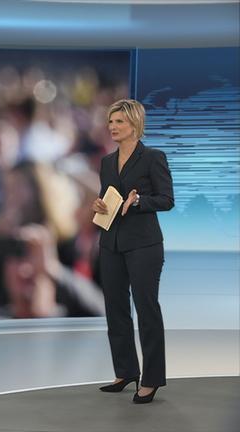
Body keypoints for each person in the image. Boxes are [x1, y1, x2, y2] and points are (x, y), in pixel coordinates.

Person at [93, 99, 174, 404]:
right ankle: (126, 370)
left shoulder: (153, 158)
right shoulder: (105, 162)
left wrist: (139, 202)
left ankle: (151, 379)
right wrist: (98, 204)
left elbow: (166, 199)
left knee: (146, 309)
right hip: (110, 243)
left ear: (135, 125)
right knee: (115, 309)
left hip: (144, 245)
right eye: (110, 122)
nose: (112, 127)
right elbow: (108, 198)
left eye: (119, 122)